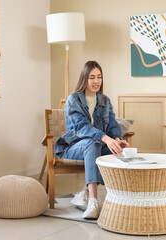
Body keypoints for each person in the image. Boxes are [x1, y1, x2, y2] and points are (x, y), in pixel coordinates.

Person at [54, 61, 129, 219]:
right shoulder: (73, 100)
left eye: (99, 77)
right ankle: (93, 201)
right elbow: (82, 127)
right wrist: (105, 138)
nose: (96, 81)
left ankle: (86, 192)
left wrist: (116, 138)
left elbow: (113, 124)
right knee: (92, 141)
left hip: (96, 146)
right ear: (84, 79)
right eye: (92, 77)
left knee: (117, 151)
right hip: (73, 146)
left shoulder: (104, 100)